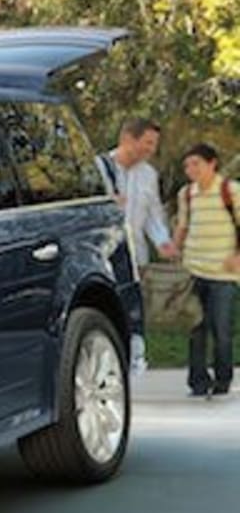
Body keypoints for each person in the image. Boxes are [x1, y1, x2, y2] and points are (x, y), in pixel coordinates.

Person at [97, 118, 178, 373]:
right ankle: (104, 363)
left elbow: (153, 215)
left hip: (134, 258)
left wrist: (163, 241)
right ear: (127, 139)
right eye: (147, 143)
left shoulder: (148, 175)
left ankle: (133, 363)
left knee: (132, 312)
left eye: (154, 144)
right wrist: (108, 204)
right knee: (105, 312)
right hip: (102, 257)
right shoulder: (99, 168)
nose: (151, 149)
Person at [173, 144, 240, 398]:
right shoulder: (186, 194)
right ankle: (198, 382)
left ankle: (223, 380)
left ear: (212, 164)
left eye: (196, 164)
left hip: (223, 273)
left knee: (221, 330)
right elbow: (182, 226)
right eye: (187, 166)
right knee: (195, 328)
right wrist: (173, 249)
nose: (191, 170)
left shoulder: (230, 191)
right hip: (193, 270)